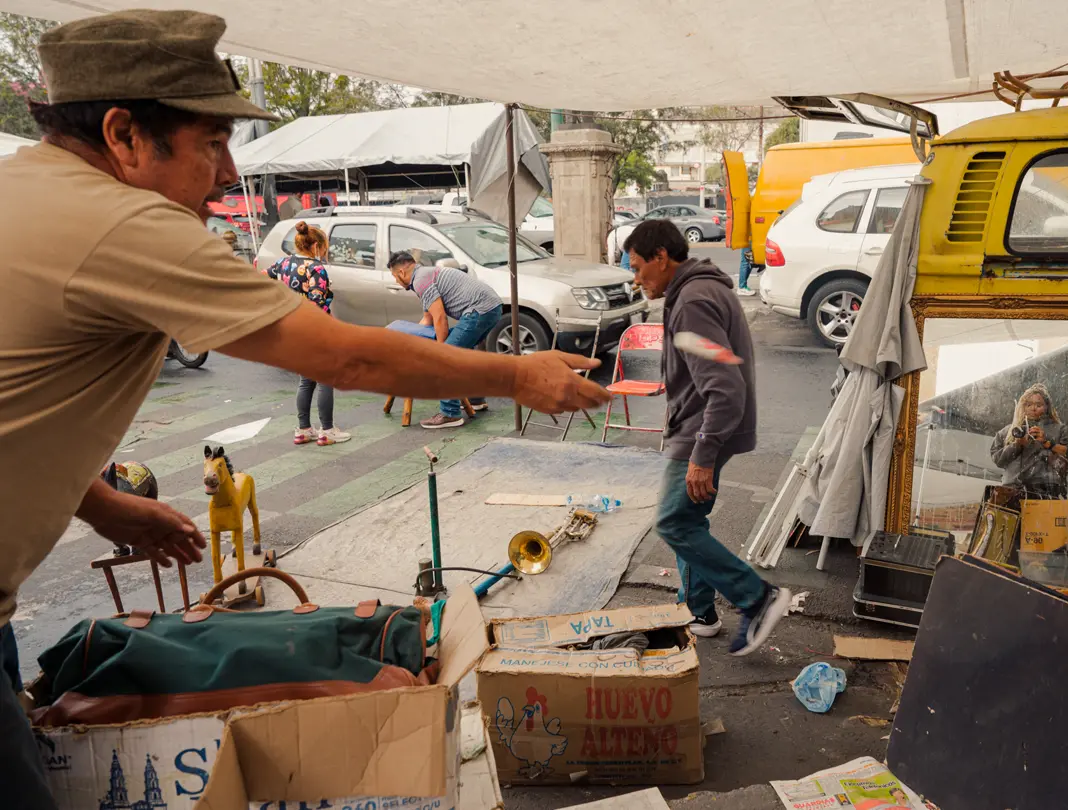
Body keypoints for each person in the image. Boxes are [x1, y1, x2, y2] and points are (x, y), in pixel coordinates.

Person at [0, 12, 607, 806]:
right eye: (211, 142)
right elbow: (344, 356)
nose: (226, 173)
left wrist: (102, 502)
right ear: (124, 136)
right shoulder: (120, 220)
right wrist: (517, 378)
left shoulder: (26, 192)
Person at [624, 219, 791, 656]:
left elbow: (725, 387)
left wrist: (703, 452)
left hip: (702, 431)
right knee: (689, 522)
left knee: (674, 522)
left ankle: (759, 597)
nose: (636, 277)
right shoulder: (698, 291)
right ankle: (700, 612)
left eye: (639, 266)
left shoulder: (693, 300)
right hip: (699, 427)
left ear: (662, 257)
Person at [388, 250, 504, 429]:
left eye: (395, 276)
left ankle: (450, 414)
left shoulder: (420, 281)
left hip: (478, 310)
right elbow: (428, 319)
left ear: (402, 272)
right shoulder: (426, 275)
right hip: (492, 307)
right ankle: (476, 399)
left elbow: (440, 318)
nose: (396, 280)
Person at [265, 221, 351, 446]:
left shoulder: (283, 263)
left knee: (306, 380)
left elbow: (264, 277)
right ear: (315, 246)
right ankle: (327, 430)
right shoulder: (316, 269)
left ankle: (303, 429)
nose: (324, 252)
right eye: (323, 248)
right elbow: (316, 305)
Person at [990, 382, 1068, 499]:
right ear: (1022, 406)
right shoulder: (1009, 431)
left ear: (1047, 406)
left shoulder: (1059, 429)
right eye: (1029, 404)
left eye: (1039, 404)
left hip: (1046, 491)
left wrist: (1047, 442)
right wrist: (1017, 445)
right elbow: (998, 460)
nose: (1033, 408)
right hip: (1012, 490)